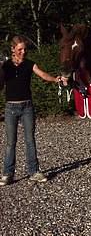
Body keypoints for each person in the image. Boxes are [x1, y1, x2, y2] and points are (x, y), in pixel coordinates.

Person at [0, 36, 66, 186]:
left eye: (25, 49)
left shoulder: (30, 64)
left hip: (27, 107)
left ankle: (34, 172)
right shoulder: (5, 66)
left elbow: (42, 74)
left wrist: (56, 79)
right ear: (13, 49)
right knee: (11, 143)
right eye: (20, 49)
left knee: (30, 140)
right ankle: (7, 174)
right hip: (10, 108)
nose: (23, 52)